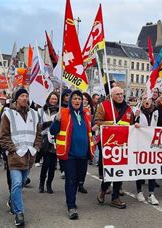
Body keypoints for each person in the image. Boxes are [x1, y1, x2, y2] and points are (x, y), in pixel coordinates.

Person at [0, 88, 42, 226]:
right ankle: (19, 213)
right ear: (16, 98)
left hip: (29, 156)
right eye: (22, 96)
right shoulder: (8, 114)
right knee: (16, 183)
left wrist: (36, 148)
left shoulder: (34, 114)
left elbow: (38, 134)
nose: (25, 98)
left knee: (21, 183)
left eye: (26, 96)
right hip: (14, 156)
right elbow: (3, 136)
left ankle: (12, 200)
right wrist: (13, 150)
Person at [51, 90, 95, 219]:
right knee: (71, 179)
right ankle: (71, 206)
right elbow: (53, 131)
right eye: (74, 98)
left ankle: (72, 198)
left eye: (79, 99)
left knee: (79, 179)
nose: (77, 101)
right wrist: (57, 121)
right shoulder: (63, 112)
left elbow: (89, 130)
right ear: (70, 100)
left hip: (83, 154)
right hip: (69, 154)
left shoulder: (86, 113)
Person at [94, 86, 134, 209]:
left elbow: (131, 124)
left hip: (123, 145)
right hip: (108, 144)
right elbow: (97, 122)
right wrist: (111, 124)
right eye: (117, 94)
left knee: (120, 171)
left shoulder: (128, 109)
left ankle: (115, 197)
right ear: (112, 96)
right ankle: (103, 189)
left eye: (122, 94)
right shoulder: (103, 106)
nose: (120, 96)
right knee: (110, 170)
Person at [133, 95, 160, 205]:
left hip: (152, 144)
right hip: (140, 144)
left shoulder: (156, 112)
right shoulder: (137, 111)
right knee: (140, 168)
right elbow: (131, 125)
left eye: (148, 99)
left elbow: (159, 123)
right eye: (144, 99)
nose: (146, 101)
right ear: (141, 101)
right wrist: (135, 119)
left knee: (152, 168)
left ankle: (151, 194)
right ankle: (139, 191)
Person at [37, 92, 59, 194]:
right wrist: (47, 124)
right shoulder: (41, 111)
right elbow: (38, 126)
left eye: (55, 99)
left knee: (53, 164)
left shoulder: (60, 111)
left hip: (56, 140)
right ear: (48, 99)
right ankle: (41, 183)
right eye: (52, 99)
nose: (54, 101)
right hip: (45, 139)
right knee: (46, 163)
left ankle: (49, 184)